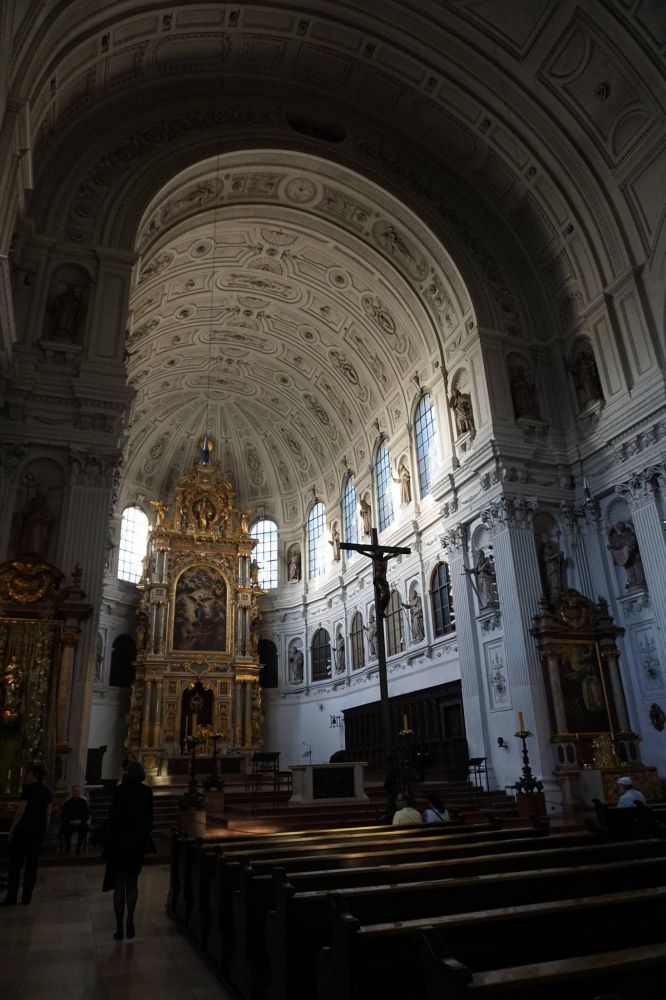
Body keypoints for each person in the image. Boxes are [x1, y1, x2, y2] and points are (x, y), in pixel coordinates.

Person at [104, 759, 154, 940]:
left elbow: (112, 816)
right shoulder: (146, 792)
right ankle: (130, 919)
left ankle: (119, 927)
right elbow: (150, 820)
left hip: (119, 842)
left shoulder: (120, 791)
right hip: (137, 843)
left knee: (119, 885)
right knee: (132, 883)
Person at [2, 764, 52, 906]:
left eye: (28, 774)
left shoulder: (29, 789)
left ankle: (11, 897)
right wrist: (44, 828)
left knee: (16, 864)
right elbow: (48, 813)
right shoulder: (47, 790)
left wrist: (12, 830)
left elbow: (20, 811)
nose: (26, 777)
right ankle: (26, 897)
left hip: (24, 830)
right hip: (38, 831)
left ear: (35, 775)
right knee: (32, 865)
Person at [60, 785, 90, 855]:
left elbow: (86, 815)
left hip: (80, 822)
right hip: (70, 822)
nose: (76, 793)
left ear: (79, 792)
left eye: (77, 791)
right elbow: (64, 815)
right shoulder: (67, 803)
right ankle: (68, 846)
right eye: (74, 791)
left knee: (85, 827)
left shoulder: (83, 802)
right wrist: (71, 821)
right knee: (67, 828)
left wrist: (80, 821)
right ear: (72, 792)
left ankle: (78, 847)